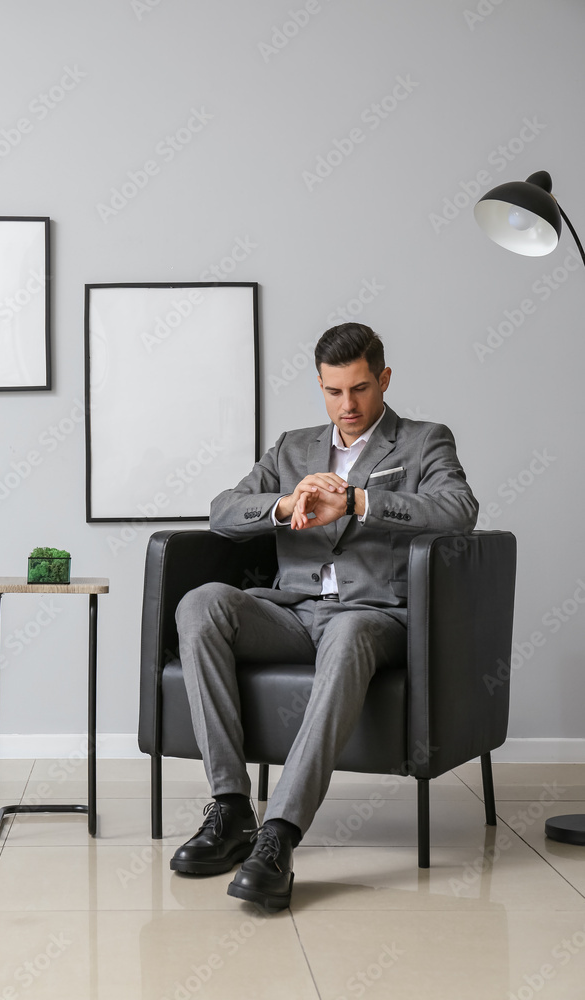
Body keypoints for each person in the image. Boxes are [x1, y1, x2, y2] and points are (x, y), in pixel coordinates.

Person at [170, 322, 478, 910]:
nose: (348, 405)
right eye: (334, 392)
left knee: (352, 630)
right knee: (200, 603)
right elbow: (222, 513)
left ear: (383, 380)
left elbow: (458, 510)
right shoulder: (291, 448)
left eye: (360, 389)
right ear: (319, 385)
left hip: (373, 614)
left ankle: (279, 836)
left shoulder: (423, 441)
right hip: (292, 611)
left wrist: (359, 502)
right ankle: (231, 809)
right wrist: (285, 505)